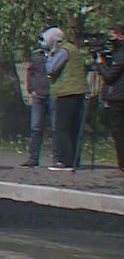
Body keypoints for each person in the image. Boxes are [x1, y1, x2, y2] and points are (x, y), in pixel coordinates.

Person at [44, 27, 87, 171]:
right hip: (77, 91)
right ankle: (74, 159)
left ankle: (66, 161)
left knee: (63, 128)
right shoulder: (72, 48)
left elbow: (51, 69)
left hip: (66, 92)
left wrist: (49, 56)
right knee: (73, 127)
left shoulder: (62, 51)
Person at [95, 22, 124, 172]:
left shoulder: (121, 54)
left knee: (118, 132)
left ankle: (122, 165)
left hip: (119, 98)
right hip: (118, 96)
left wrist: (100, 64)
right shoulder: (118, 52)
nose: (112, 38)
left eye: (114, 34)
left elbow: (110, 76)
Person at [22, 36, 54, 167]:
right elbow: (30, 73)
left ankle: (57, 158)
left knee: (56, 128)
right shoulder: (35, 56)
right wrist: (31, 90)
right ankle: (33, 158)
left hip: (53, 95)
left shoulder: (58, 54)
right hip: (38, 96)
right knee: (36, 127)